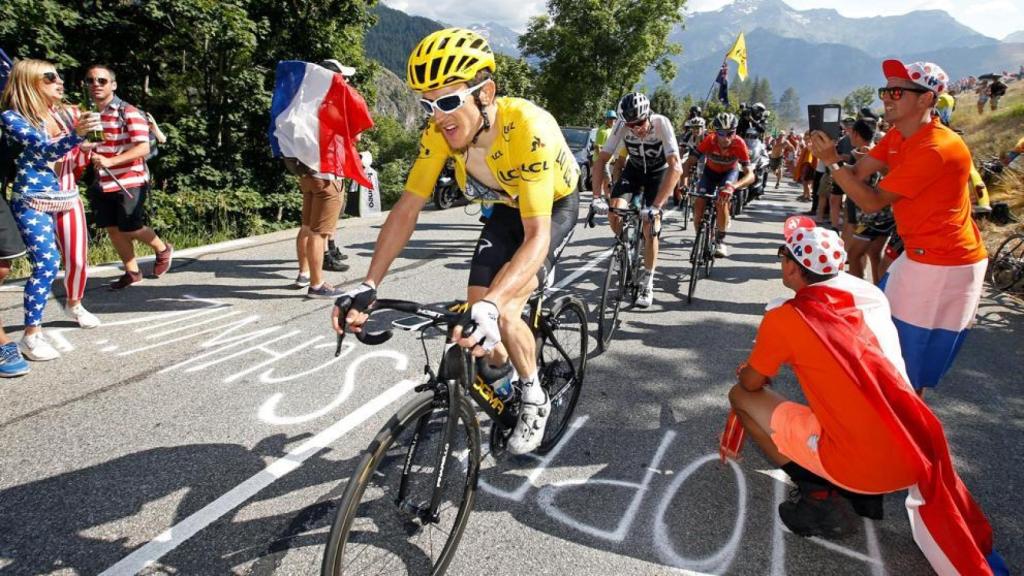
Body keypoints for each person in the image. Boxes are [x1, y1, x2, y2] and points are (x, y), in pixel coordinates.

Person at [332, 28, 580, 455]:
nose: (437, 116)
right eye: (427, 104)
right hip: (506, 205)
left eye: (448, 102)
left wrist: (495, 302)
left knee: (501, 309)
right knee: (474, 307)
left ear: (486, 94)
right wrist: (369, 284)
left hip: (551, 206)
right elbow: (407, 207)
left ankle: (534, 395)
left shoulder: (528, 128)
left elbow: (537, 235)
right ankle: (502, 372)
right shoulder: (438, 135)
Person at [728, 221, 1005, 575]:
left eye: (783, 255)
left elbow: (751, 383)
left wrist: (750, 370)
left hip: (861, 466)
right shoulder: (869, 298)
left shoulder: (787, 317)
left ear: (792, 267)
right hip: (913, 455)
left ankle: (819, 495)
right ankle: (851, 487)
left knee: (741, 396)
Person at [809, 59, 987, 395]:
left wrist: (831, 161)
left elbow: (872, 201)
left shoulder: (937, 148)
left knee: (904, 363)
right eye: (885, 90)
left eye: (896, 91)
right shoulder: (898, 135)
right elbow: (859, 172)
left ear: (926, 99)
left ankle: (902, 435)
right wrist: (831, 153)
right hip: (919, 254)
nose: (886, 98)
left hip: (944, 263)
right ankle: (891, 426)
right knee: (885, 342)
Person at [1, 59, 103, 362]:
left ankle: (75, 304)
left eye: (58, 76)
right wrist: (77, 135)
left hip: (66, 195)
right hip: (32, 199)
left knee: (77, 258)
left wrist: (84, 144)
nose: (60, 81)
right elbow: (44, 148)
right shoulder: (11, 118)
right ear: (29, 83)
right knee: (47, 264)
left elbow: (71, 147)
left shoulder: (62, 114)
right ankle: (31, 335)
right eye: (50, 78)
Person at [84, 64, 173, 290]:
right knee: (113, 229)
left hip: (130, 179)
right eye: (90, 80)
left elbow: (142, 148)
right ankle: (132, 271)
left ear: (113, 85)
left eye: (102, 80)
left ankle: (162, 249)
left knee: (131, 227)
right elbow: (96, 144)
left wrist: (111, 161)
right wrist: (86, 149)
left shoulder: (128, 112)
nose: (95, 85)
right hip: (103, 180)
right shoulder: (93, 115)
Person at [591, 92, 682, 307]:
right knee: (615, 212)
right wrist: (596, 197)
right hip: (633, 171)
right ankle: (628, 247)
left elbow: (676, 166)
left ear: (649, 115)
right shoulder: (622, 125)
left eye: (640, 123)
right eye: (631, 125)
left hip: (657, 173)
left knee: (651, 226)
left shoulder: (662, 123)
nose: (636, 128)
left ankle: (648, 281)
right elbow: (601, 159)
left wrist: (657, 207)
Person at [292, 59, 354, 295]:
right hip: (328, 175)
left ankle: (303, 274)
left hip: (307, 173)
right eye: (343, 78)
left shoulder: (305, 103)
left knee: (306, 227)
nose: (346, 82)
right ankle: (317, 284)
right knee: (320, 232)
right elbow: (349, 140)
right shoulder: (333, 107)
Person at [682, 112, 754, 258]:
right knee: (699, 205)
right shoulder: (709, 140)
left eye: (730, 133)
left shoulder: (739, 143)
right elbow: (689, 162)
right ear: (715, 132)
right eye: (721, 133)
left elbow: (751, 175)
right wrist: (683, 184)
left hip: (729, 174)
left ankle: (720, 240)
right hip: (710, 173)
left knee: (722, 201)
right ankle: (700, 240)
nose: (726, 138)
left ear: (735, 132)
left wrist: (734, 186)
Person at [592, 110, 617, 198]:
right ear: (606, 119)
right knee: (608, 179)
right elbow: (597, 147)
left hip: (607, 160)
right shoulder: (603, 131)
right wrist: (601, 161)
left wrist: (612, 158)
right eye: (610, 119)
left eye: (614, 119)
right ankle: (605, 198)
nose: (612, 121)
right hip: (601, 160)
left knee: (604, 180)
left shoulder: (611, 129)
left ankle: (605, 197)